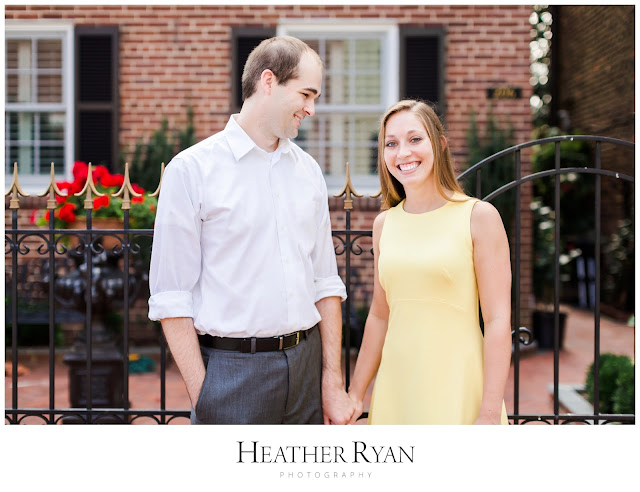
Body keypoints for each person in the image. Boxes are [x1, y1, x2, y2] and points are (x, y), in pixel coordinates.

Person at [148, 36, 355, 425]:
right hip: (231, 372)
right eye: (306, 94)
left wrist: (332, 379)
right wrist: (205, 395)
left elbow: (326, 282)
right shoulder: (192, 170)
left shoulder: (308, 171)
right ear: (269, 81)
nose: (312, 109)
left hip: (306, 367)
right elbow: (170, 297)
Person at [347, 100, 512, 424]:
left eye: (414, 139)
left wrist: (490, 412)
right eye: (391, 144)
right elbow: (380, 316)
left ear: (439, 143)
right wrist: (355, 393)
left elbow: (496, 321)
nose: (402, 153)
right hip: (397, 390)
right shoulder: (384, 225)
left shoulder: (478, 217)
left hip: (458, 389)